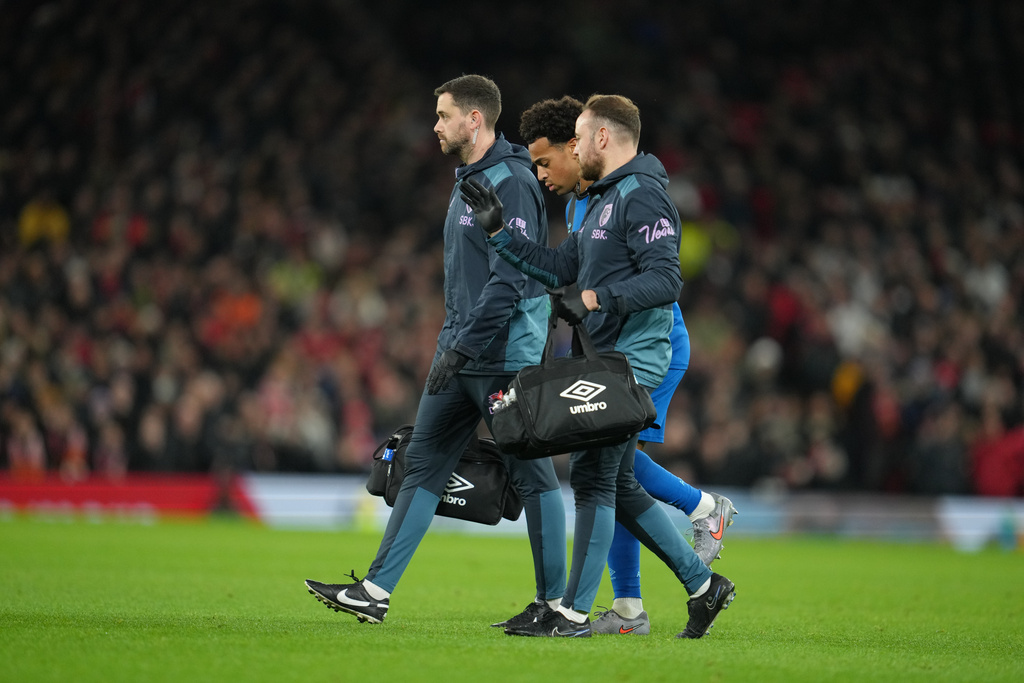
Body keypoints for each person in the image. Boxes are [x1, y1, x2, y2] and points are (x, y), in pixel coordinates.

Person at [461, 94, 736, 639]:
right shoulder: (600, 201)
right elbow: (560, 265)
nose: (574, 146)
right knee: (610, 477)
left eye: (580, 138)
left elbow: (666, 281)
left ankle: (575, 611)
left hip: (638, 360)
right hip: (607, 358)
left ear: (602, 139)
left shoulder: (643, 197)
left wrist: (593, 301)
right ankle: (702, 585)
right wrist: (499, 233)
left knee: (594, 476)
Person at [304, 75, 567, 627]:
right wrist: (453, 344)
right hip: (461, 352)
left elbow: (510, 281)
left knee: (533, 476)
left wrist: (463, 345)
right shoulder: (470, 179)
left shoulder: (513, 182)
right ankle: (375, 590)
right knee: (421, 464)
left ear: (475, 119)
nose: (436, 125)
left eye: (444, 115)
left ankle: (553, 605)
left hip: (503, 357)